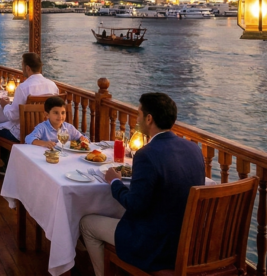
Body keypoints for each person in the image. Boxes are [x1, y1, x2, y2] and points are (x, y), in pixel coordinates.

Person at [79, 93, 205, 275]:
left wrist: (114, 181)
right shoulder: (194, 149)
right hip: (187, 242)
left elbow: (135, 205)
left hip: (155, 245)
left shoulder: (146, 154)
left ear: (149, 118)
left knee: (87, 224)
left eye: (138, 114)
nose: (136, 119)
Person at [0, 52, 59, 173]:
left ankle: (9, 164)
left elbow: (13, 116)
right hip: (47, 131)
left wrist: (5, 106)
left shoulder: (24, 87)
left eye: (22, 65)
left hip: (26, 132)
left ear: (27, 68)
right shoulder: (53, 86)